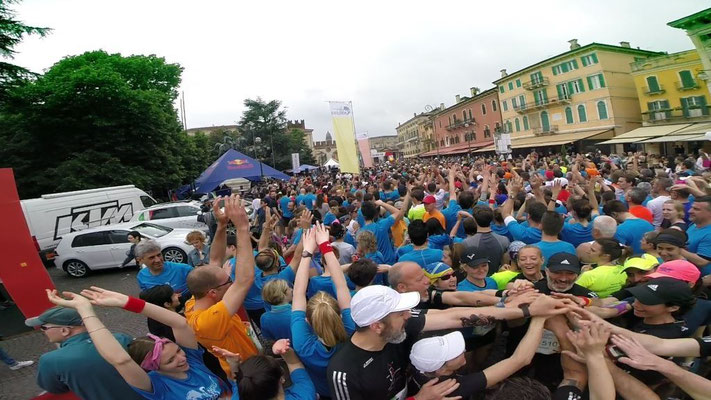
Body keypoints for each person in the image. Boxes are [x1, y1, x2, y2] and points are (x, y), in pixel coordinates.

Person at [327, 284, 571, 399]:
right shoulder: (344, 373)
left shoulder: (397, 328)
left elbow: (453, 316)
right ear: (376, 326)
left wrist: (522, 309)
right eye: (400, 313)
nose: (408, 315)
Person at [45, 287, 230, 399]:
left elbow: (179, 323)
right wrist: (85, 311)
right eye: (170, 360)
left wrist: (126, 302)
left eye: (177, 352)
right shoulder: (157, 387)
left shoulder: (192, 361)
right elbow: (120, 360)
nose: (181, 358)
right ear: (154, 367)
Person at [184, 195, 259, 377]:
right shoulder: (207, 322)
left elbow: (215, 260)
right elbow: (244, 281)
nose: (231, 283)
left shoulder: (194, 302)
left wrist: (222, 225)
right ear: (212, 292)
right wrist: (242, 228)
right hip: (245, 373)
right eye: (228, 282)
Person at [407, 317, 547, 400]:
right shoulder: (453, 388)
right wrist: (539, 320)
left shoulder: (419, 367)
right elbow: (520, 360)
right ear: (441, 369)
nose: (464, 350)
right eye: (457, 352)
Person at [292, 223, 355, 398]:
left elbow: (297, 293)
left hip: (324, 391)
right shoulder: (350, 330)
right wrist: (325, 245)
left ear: (307, 321)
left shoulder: (303, 345)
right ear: (340, 314)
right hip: (352, 387)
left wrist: (307, 252)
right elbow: (341, 285)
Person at [213, 339, 317, 400]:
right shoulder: (304, 394)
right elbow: (294, 363)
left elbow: (238, 382)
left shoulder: (238, 396)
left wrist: (234, 365)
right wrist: (284, 350)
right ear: (282, 379)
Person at [462, 206, 510, 275]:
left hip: (477, 280)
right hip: (497, 279)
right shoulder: (504, 240)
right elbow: (505, 266)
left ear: (474, 220)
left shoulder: (467, 242)